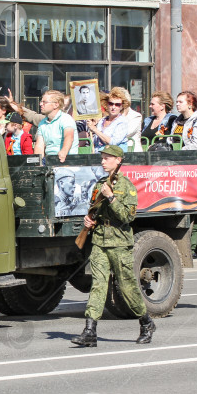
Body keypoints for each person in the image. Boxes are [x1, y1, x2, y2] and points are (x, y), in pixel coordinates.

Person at [70, 145, 155, 347]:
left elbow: (128, 216)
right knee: (98, 285)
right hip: (100, 240)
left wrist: (111, 197)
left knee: (126, 287)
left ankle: (146, 322)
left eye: (107, 158)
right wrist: (90, 220)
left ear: (118, 160)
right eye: (102, 157)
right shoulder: (100, 183)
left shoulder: (126, 186)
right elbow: (94, 211)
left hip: (119, 242)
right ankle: (90, 331)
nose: (103, 161)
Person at [34, 90, 79, 162]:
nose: (41, 104)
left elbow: (69, 137)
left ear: (56, 104)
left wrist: (63, 152)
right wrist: (37, 162)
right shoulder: (42, 123)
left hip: (67, 161)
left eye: (44, 102)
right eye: (41, 101)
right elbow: (39, 146)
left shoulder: (66, 119)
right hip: (49, 161)